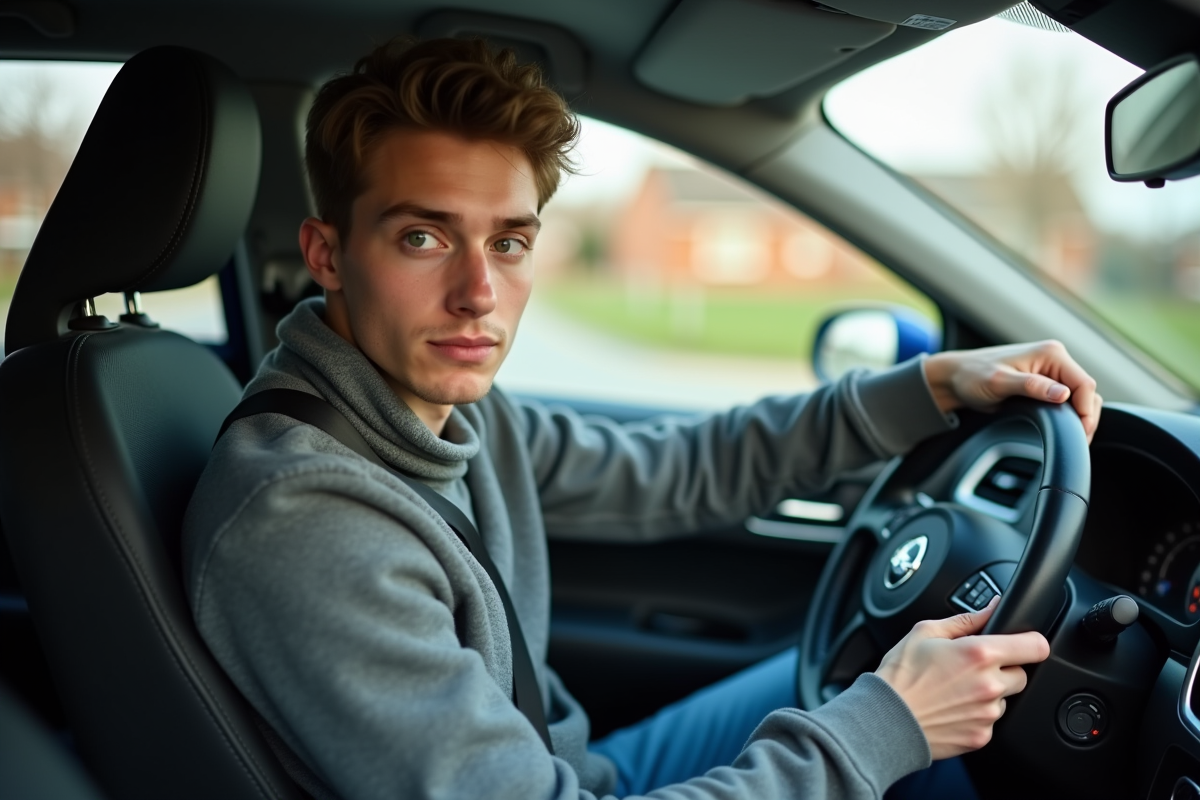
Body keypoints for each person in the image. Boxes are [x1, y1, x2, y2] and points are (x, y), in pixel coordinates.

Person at [183, 37, 1102, 800]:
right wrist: (887, 728)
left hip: (581, 772)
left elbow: (677, 468)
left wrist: (931, 384)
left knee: (845, 686)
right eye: (423, 237)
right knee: (931, 742)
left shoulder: (441, 413)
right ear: (327, 254)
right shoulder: (304, 521)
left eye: (508, 242)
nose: (477, 294)